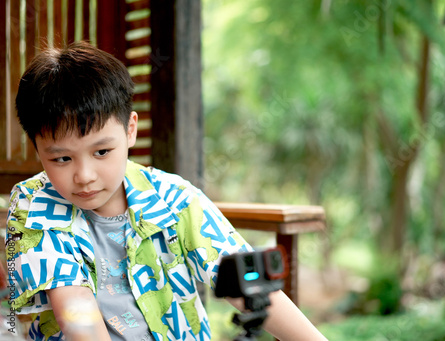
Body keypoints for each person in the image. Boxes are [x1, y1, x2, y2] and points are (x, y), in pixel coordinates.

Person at [6, 42, 327, 341]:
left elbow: (251, 286)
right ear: (38, 150)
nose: (85, 176)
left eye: (101, 152)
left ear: (130, 130)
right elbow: (77, 318)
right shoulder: (33, 206)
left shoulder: (174, 197)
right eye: (62, 158)